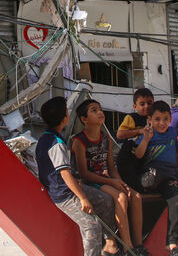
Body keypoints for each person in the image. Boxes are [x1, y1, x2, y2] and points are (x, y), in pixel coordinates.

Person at [36, 96, 119, 256]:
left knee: (106, 201)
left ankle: (109, 244)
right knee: (91, 226)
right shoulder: (56, 143)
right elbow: (64, 173)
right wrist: (82, 197)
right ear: (64, 118)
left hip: (68, 188)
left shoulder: (45, 139)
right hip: (63, 195)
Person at [72, 99, 149, 256]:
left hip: (105, 179)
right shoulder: (79, 141)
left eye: (100, 109)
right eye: (94, 110)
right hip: (90, 183)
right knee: (120, 197)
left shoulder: (106, 138)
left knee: (135, 196)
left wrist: (120, 182)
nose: (100, 112)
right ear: (84, 119)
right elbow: (84, 173)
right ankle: (128, 247)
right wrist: (112, 182)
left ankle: (139, 244)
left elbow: (112, 168)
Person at [134, 101, 178, 256]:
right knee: (155, 175)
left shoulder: (171, 133)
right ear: (150, 119)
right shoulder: (148, 134)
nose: (161, 123)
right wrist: (146, 139)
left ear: (170, 119)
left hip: (168, 180)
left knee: (176, 201)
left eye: (165, 119)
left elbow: (177, 149)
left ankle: (172, 245)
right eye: (157, 119)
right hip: (150, 178)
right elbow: (138, 154)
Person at [115, 88, 155, 247]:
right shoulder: (131, 118)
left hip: (143, 160)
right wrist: (139, 131)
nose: (146, 106)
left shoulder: (154, 118)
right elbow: (119, 134)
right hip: (128, 160)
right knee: (133, 189)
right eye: (142, 104)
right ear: (135, 106)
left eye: (149, 103)